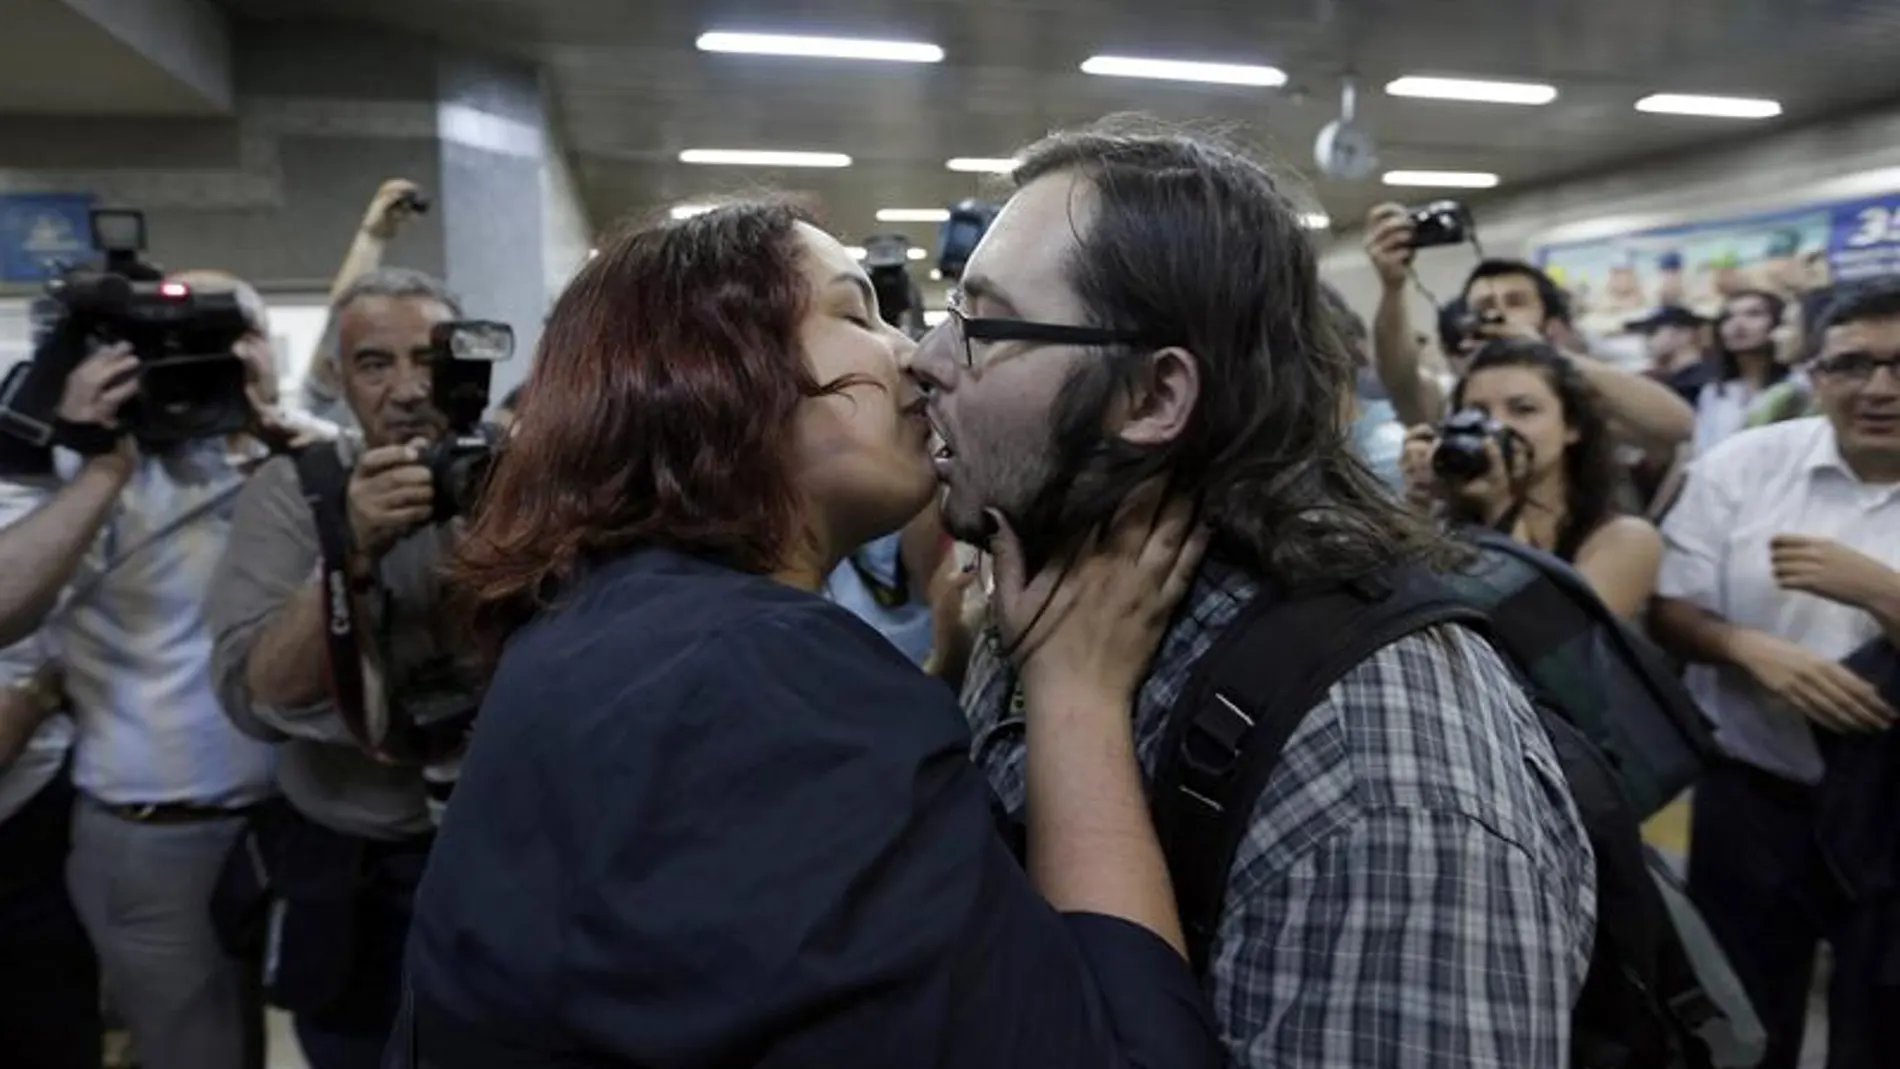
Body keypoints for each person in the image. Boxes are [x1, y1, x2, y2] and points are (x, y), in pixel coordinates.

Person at [396, 202, 1224, 1068]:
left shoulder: (600, 618)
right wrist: (1074, 694)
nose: (920, 356)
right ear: (718, 369)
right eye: (856, 313)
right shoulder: (762, 675)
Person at [914, 119, 1595, 1066]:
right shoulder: (1056, 587)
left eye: (982, 327)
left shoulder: (1384, 772)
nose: (924, 360)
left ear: (1153, 399)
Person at [209, 268, 477, 1069]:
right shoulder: (294, 493)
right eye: (374, 364)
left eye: (429, 362)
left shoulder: (515, 484)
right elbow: (258, 694)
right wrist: (351, 549)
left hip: (490, 847)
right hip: (353, 868)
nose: (405, 389)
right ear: (337, 377)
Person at [1651, 279, 1900, 1069]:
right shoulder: (1744, 467)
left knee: (1882, 1021)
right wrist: (1749, 648)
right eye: (1853, 363)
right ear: (1815, 372)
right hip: (1753, 791)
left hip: (1896, 812)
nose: (1880, 388)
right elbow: (1667, 608)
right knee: (1741, 1022)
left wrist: (1881, 592)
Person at [1362, 202, 1696, 453]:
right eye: (1484, 308)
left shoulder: (1575, 398)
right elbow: (1399, 377)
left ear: (1551, 325)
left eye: (1516, 302)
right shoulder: (1453, 398)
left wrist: (1545, 354)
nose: (1499, 316)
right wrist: (1392, 287)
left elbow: (1678, 426)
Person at [1401, 339, 1664, 619]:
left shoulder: (1626, 539)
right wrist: (1419, 508)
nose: (1498, 427)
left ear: (1571, 426)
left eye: (1523, 409)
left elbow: (1553, 640)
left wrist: (1502, 511)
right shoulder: (1447, 526)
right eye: (1476, 414)